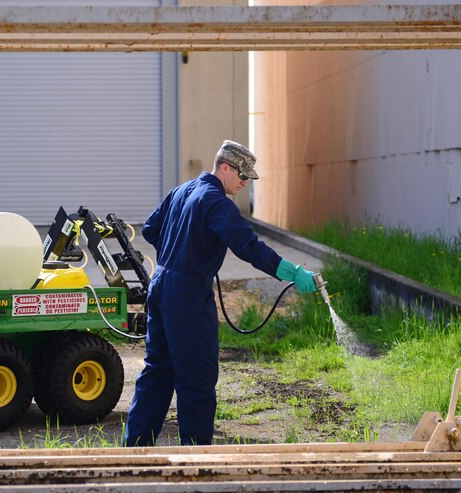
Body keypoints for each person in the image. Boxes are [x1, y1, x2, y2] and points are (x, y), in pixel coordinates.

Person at [123, 140, 317, 447]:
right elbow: (248, 247)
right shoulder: (216, 202)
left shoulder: (181, 191)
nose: (244, 182)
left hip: (160, 286)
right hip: (187, 294)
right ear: (224, 167)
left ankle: (133, 452)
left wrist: (178, 253)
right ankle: (197, 462)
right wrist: (291, 272)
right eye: (241, 174)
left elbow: (150, 229)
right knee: (196, 379)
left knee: (157, 372)